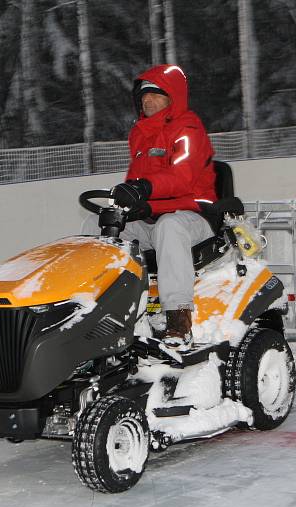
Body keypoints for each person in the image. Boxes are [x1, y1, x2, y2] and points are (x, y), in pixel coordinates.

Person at [109, 64, 218, 348]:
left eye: (156, 95)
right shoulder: (140, 135)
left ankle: (179, 321)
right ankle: (111, 312)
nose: (148, 101)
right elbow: (137, 184)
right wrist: (128, 200)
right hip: (155, 216)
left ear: (173, 98)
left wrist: (144, 189)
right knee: (109, 229)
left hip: (194, 214)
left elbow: (181, 178)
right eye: (144, 97)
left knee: (169, 228)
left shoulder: (189, 129)